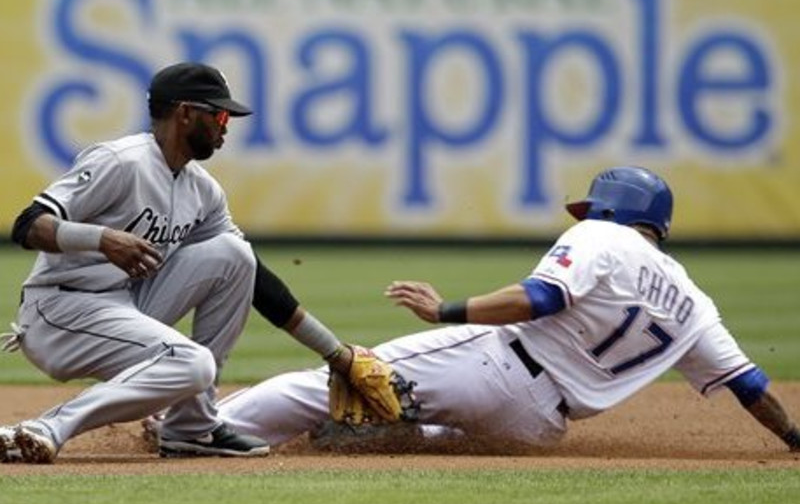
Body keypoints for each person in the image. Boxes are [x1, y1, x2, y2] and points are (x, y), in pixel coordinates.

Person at [198, 167, 800, 453]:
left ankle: (205, 429)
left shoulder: (601, 237)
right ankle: (384, 432)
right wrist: (795, 439)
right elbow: (750, 386)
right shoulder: (694, 302)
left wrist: (446, 311)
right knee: (429, 432)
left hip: (498, 365)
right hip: (540, 428)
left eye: (592, 207)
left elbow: (538, 299)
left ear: (612, 210)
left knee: (346, 373)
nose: (583, 215)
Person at [0, 62, 359, 463]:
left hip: (121, 305)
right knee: (193, 363)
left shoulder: (202, 190)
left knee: (235, 255)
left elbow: (254, 278)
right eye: (220, 114)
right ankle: (43, 429)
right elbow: (27, 225)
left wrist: (337, 354)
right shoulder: (121, 161)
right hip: (60, 312)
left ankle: (191, 428)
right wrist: (102, 240)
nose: (226, 126)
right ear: (185, 113)